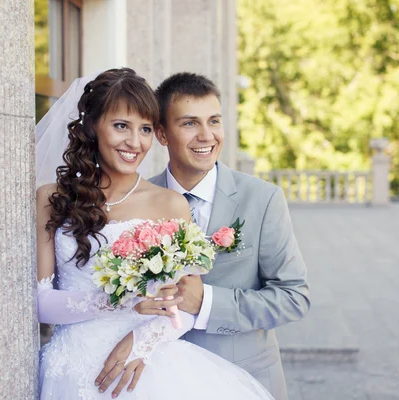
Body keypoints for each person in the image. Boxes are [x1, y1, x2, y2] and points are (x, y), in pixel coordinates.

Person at [35, 68, 274, 399]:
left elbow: (187, 302)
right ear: (93, 126)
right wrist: (118, 302)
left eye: (145, 129)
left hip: (144, 371)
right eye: (121, 126)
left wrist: (141, 343)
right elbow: (42, 302)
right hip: (70, 367)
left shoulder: (169, 203)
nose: (135, 142)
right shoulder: (51, 198)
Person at [101, 72, 310, 400]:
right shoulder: (136, 200)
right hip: (156, 380)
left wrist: (208, 303)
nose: (206, 135)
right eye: (189, 123)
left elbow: (294, 298)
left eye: (214, 121)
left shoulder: (263, 198)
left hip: (244, 378)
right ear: (161, 133)